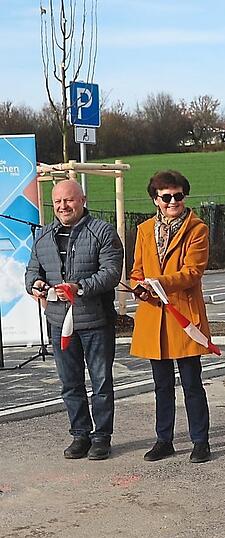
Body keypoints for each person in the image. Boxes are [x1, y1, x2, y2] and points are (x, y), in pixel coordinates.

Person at [25, 179, 123, 460]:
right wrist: (35, 284)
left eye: (68, 200)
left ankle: (102, 436)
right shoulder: (43, 237)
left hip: (95, 321)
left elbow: (111, 272)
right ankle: (80, 435)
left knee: (101, 382)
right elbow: (32, 271)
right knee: (70, 383)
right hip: (59, 323)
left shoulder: (102, 232)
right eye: (57, 201)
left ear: (82, 199)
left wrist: (80, 287)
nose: (63, 206)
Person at [130, 170, 212, 464]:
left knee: (192, 383)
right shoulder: (143, 230)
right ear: (156, 199)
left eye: (178, 196)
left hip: (183, 318)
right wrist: (141, 287)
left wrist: (158, 283)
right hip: (154, 318)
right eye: (167, 197)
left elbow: (193, 271)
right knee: (161, 385)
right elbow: (137, 270)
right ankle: (164, 439)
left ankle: (200, 440)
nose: (173, 201)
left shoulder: (197, 229)